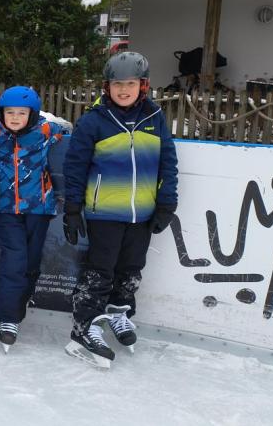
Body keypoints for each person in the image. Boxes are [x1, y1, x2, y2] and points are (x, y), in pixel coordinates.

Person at [62, 51, 178, 368]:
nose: (123, 90)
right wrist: (72, 208)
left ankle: (118, 313)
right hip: (104, 213)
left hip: (142, 212)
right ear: (107, 86)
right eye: (117, 84)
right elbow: (75, 167)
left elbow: (168, 161)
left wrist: (167, 202)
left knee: (131, 269)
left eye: (130, 84)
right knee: (99, 272)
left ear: (143, 86)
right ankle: (84, 329)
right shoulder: (93, 121)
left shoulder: (155, 118)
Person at [0, 86, 66, 352]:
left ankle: (19, 304)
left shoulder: (44, 131)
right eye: (9, 112)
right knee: (14, 260)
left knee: (31, 262)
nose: (15, 117)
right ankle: (8, 318)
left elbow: (61, 130)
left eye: (22, 113)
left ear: (32, 114)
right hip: (6, 209)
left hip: (39, 208)